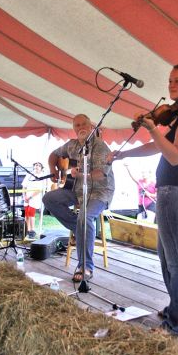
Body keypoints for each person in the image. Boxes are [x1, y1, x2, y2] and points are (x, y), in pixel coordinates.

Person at [108, 63, 178, 336]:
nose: (171, 85)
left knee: (176, 262)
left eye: (177, 80)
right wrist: (125, 154)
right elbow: (159, 147)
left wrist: (153, 127)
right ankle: (175, 311)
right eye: (169, 81)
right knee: (167, 259)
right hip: (171, 190)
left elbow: (176, 155)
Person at [42, 114, 115, 282]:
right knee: (49, 199)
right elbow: (54, 154)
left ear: (91, 127)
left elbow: (100, 175)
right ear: (74, 128)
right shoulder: (72, 145)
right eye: (77, 125)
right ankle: (78, 227)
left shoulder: (101, 147)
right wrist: (53, 169)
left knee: (85, 216)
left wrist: (81, 174)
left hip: (99, 192)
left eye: (84, 124)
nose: (80, 127)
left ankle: (85, 267)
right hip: (77, 190)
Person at [22, 162, 45, 239]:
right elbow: (24, 186)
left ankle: (32, 230)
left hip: (35, 198)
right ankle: (27, 230)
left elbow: (39, 189)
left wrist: (30, 197)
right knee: (26, 214)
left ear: (41, 168)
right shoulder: (29, 174)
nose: (37, 167)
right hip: (26, 197)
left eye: (39, 165)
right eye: (35, 165)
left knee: (31, 213)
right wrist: (25, 196)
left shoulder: (42, 176)